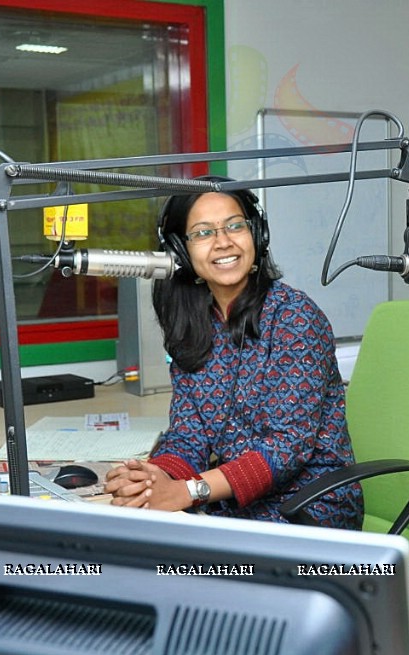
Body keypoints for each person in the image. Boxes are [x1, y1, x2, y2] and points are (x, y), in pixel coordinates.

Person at [105, 178, 363, 530]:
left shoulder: (294, 317)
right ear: (181, 250)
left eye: (235, 226)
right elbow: (188, 434)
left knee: (178, 573)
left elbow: (287, 448)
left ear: (256, 234)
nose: (223, 241)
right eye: (203, 233)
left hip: (311, 509)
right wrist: (153, 478)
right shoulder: (193, 327)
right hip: (231, 507)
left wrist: (189, 491)